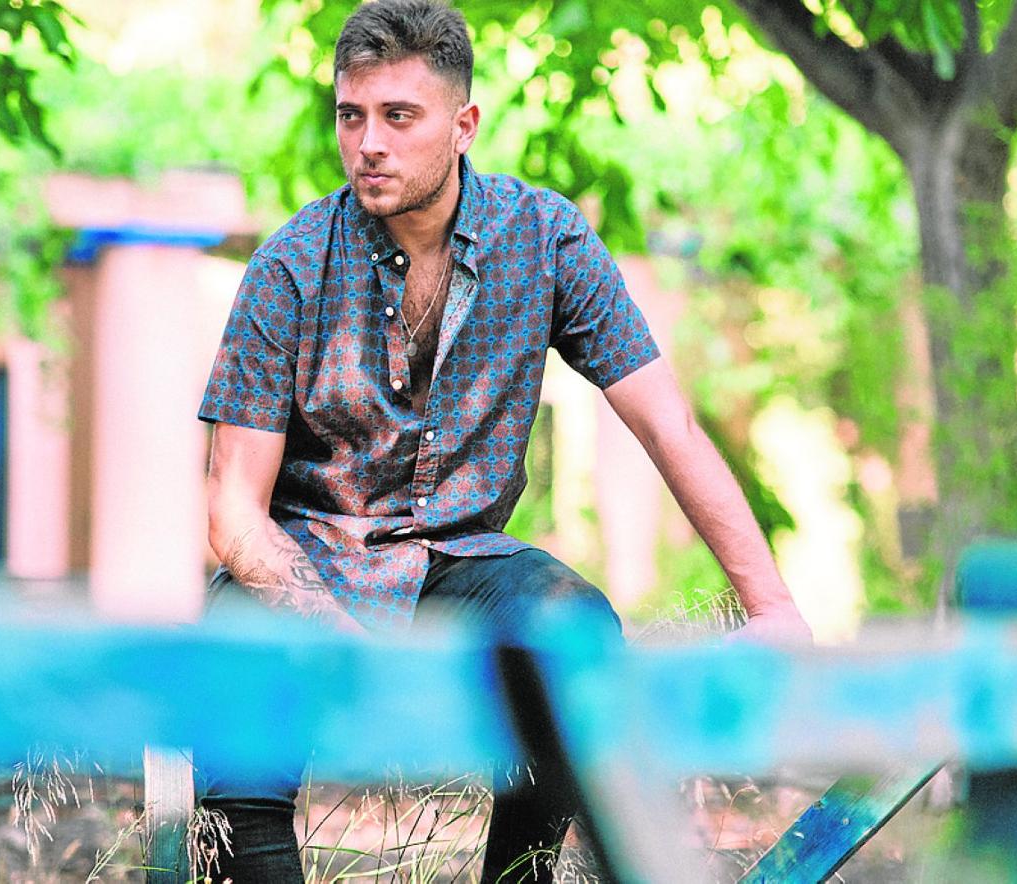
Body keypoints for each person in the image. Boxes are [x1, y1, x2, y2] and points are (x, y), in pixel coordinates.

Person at [197, 0, 813, 878]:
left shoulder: (545, 241)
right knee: (235, 759)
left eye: (398, 116)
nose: (368, 143)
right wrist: (350, 651)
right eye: (351, 115)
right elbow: (234, 513)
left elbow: (666, 423)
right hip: (303, 560)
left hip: (461, 560)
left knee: (572, 635)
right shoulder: (288, 267)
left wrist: (772, 608)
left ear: (463, 125)